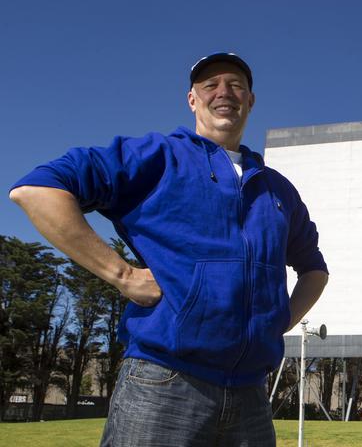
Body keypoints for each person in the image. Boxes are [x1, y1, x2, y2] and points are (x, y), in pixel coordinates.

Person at [9, 52, 329, 446]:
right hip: (162, 384)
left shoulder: (278, 190)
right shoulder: (156, 158)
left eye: (236, 85)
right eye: (210, 86)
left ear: (250, 100)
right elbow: (37, 190)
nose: (223, 93)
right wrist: (121, 274)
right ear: (192, 100)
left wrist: (279, 320)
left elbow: (314, 268)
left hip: (252, 397)